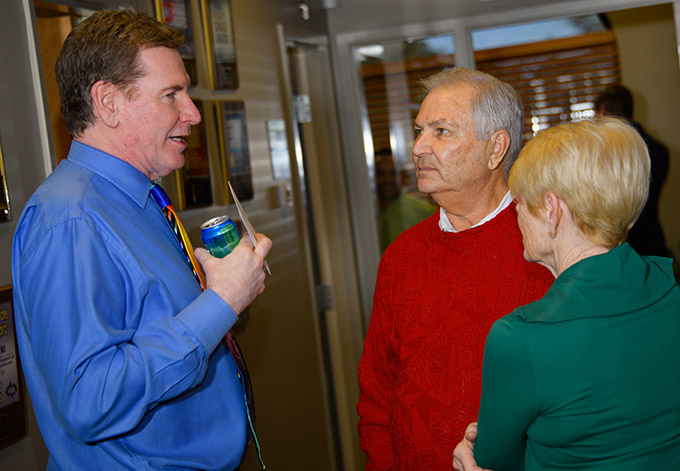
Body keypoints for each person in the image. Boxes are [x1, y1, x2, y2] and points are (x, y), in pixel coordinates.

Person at [11, 9, 272, 471]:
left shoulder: (142, 200)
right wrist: (222, 301)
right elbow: (90, 400)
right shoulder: (70, 220)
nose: (191, 113)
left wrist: (225, 290)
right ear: (107, 101)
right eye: (171, 94)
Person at [453, 117, 680, 471]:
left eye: (522, 202)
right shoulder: (671, 293)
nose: (516, 213)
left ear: (552, 210)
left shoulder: (520, 338)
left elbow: (495, 460)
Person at [357, 67, 554, 470]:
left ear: (496, 148)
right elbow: (377, 393)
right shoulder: (401, 256)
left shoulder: (547, 246)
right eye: (419, 130)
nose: (418, 147)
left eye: (441, 131)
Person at [595, 85, 669, 257]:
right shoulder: (659, 150)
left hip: (624, 245)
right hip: (652, 239)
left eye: (599, 115)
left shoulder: (610, 152)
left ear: (606, 112)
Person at [374, 147, 436, 250]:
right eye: (380, 173)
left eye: (393, 173)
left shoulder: (425, 212)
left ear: (404, 176)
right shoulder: (361, 216)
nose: (388, 179)